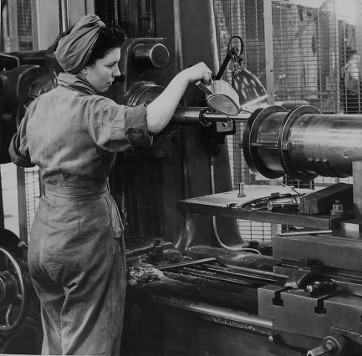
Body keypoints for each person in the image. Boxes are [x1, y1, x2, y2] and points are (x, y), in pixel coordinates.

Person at [8, 14, 212, 356]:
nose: (117, 73)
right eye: (109, 65)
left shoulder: (40, 104)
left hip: (44, 241)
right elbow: (151, 120)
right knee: (90, 344)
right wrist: (186, 76)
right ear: (84, 67)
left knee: (57, 340)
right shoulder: (93, 109)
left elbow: (19, 152)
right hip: (83, 238)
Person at [341, 47, 362, 113]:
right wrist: (354, 92)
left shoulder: (344, 68)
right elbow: (355, 80)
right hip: (356, 101)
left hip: (348, 100)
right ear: (354, 57)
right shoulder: (353, 67)